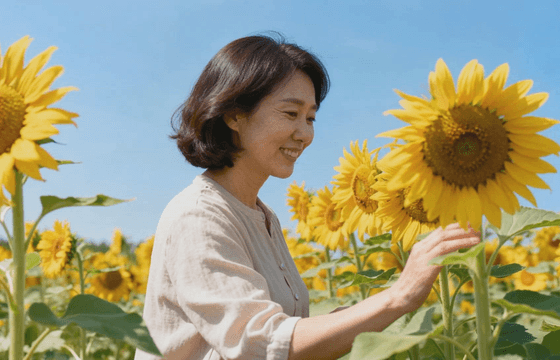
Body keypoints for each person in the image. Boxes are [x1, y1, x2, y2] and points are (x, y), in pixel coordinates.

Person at [134, 33, 481, 360]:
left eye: (311, 118)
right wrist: (399, 296)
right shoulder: (199, 216)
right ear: (235, 115)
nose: (304, 134)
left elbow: (281, 335)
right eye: (290, 114)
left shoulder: (261, 216)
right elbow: (261, 344)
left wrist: (363, 315)